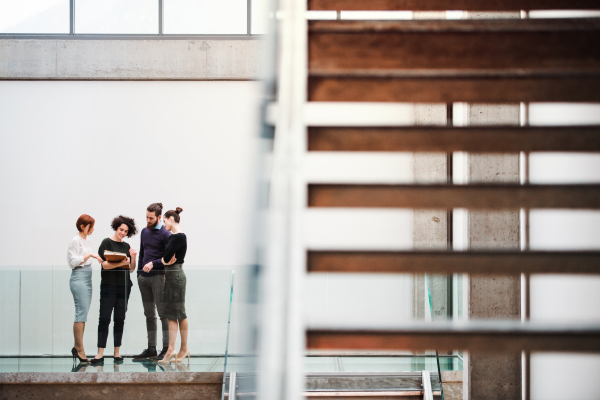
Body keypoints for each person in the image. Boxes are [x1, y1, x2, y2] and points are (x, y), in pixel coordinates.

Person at [143, 207, 189, 364]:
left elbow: (167, 257)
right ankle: (171, 348)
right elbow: (165, 257)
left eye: (164, 221)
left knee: (180, 312)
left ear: (171, 219)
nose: (163, 225)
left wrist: (164, 259)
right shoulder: (173, 237)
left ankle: (184, 348)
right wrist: (164, 260)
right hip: (170, 275)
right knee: (170, 313)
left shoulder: (179, 237)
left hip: (176, 275)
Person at [92, 216, 137, 365]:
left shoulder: (126, 246)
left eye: (126, 231)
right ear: (116, 228)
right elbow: (104, 265)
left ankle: (116, 352)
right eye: (121, 230)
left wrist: (133, 258)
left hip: (124, 287)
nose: (123, 233)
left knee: (120, 319)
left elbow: (130, 269)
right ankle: (100, 353)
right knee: (104, 318)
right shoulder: (106, 243)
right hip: (108, 285)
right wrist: (120, 263)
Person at [133, 203, 171, 361]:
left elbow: (168, 259)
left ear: (159, 217)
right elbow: (142, 252)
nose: (148, 220)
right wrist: (139, 273)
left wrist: (153, 264)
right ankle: (151, 349)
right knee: (149, 315)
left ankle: (166, 349)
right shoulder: (144, 231)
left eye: (151, 218)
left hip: (158, 277)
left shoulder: (165, 234)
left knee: (163, 314)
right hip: (144, 279)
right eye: (146, 217)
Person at [68, 214, 102, 364]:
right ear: (83, 226)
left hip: (87, 280)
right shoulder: (75, 241)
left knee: (83, 314)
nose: (93, 229)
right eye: (91, 226)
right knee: (80, 314)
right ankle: (78, 348)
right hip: (79, 279)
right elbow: (72, 262)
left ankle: (79, 347)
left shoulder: (86, 240)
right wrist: (90, 255)